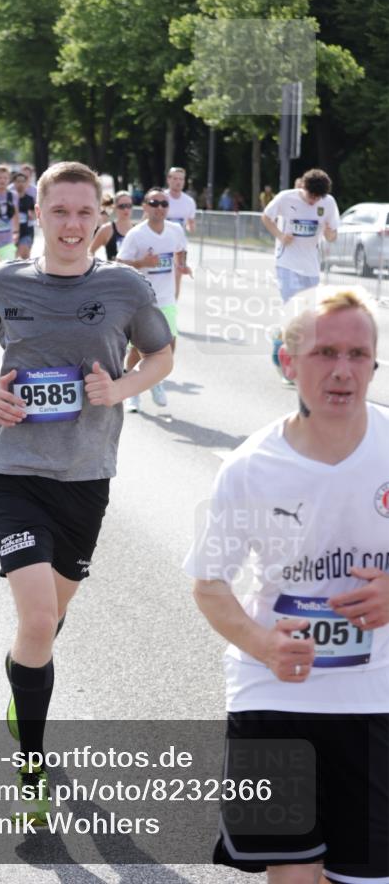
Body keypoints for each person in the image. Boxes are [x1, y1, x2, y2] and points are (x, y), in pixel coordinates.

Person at [0, 161, 173, 825]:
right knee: (33, 615)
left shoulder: (125, 285)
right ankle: (31, 764)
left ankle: (23, 683)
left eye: (85, 213)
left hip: (86, 477)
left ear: (103, 218)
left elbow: (161, 356)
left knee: (46, 622)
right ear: (39, 215)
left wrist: (121, 388)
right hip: (16, 471)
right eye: (60, 212)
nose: (72, 225)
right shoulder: (3, 282)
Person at [184, 285, 388, 883]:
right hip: (273, 696)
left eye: (358, 355)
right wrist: (264, 644)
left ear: (374, 363)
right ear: (288, 361)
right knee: (294, 876)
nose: (343, 371)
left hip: (375, 697)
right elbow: (210, 584)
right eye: (325, 353)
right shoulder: (249, 467)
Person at [117, 187, 191, 412]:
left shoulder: (175, 229)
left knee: (168, 346)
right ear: (146, 207)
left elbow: (181, 250)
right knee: (139, 349)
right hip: (142, 301)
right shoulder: (137, 234)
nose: (160, 208)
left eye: (164, 203)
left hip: (166, 299)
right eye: (155, 203)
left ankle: (155, 379)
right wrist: (142, 263)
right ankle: (133, 392)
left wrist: (182, 264)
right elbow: (120, 263)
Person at [262, 168, 340, 381]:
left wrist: (328, 232)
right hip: (286, 262)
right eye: (311, 196)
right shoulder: (286, 198)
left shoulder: (328, 203)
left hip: (311, 267)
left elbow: (333, 235)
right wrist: (279, 235)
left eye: (318, 197)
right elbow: (266, 217)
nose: (314, 201)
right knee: (295, 310)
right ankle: (292, 362)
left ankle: (280, 338)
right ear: (303, 188)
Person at [165, 166, 196, 299]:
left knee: (177, 277)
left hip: (179, 246)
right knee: (159, 276)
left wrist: (191, 228)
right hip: (161, 244)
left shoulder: (189, 202)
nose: (178, 182)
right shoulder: (162, 198)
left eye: (181, 179)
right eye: (175, 178)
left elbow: (190, 223)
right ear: (169, 180)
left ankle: (172, 307)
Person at [90, 190, 134, 260]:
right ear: (115, 207)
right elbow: (90, 252)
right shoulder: (107, 229)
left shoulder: (137, 229)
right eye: (122, 206)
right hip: (113, 270)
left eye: (129, 206)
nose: (126, 209)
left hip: (134, 270)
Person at [13, 171, 37, 260]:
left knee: (25, 256)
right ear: (14, 183)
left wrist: (32, 215)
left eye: (23, 181)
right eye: (18, 181)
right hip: (12, 233)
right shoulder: (10, 198)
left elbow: (35, 215)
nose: (20, 184)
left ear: (26, 183)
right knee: (12, 258)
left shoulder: (30, 199)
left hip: (26, 231)